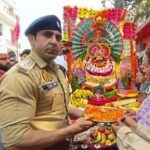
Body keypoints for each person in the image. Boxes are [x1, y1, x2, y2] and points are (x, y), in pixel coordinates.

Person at [0, 15, 94, 150]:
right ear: (31, 39)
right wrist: (72, 129)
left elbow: (59, 105)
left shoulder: (56, 70)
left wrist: (82, 113)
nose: (54, 41)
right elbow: (16, 139)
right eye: (47, 35)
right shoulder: (20, 77)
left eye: (57, 37)